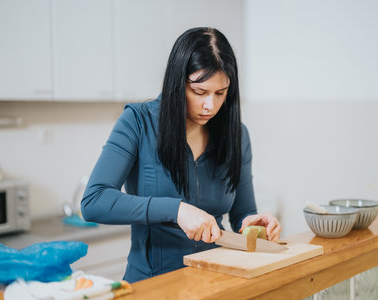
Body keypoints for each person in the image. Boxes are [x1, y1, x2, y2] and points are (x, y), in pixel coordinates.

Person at [81, 27, 281, 283]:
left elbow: (242, 212)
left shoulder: (237, 135)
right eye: (200, 92)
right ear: (177, 83)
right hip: (152, 285)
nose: (210, 105)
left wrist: (253, 223)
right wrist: (175, 210)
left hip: (216, 282)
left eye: (220, 93)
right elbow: (93, 201)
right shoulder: (138, 122)